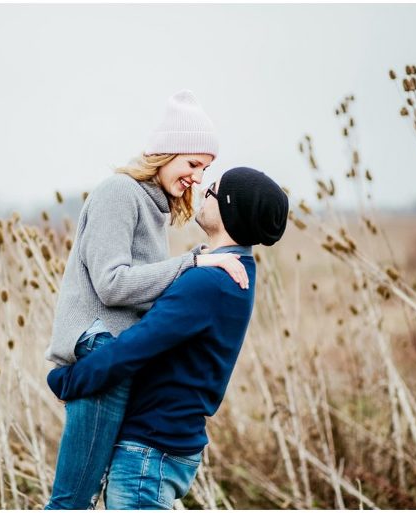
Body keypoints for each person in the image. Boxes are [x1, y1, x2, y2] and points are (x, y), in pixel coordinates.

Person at [44, 91, 249, 509]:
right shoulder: (119, 193)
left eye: (205, 168)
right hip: (101, 350)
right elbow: (112, 285)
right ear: (164, 153)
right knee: (71, 502)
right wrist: (192, 263)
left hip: (119, 360)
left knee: (82, 501)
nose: (198, 176)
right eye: (193, 164)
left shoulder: (155, 209)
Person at [48, 167, 289, 509]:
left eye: (213, 191)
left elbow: (134, 347)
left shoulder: (208, 283)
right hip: (164, 445)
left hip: (150, 452)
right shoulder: (235, 270)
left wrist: (68, 379)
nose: (203, 190)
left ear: (232, 211)